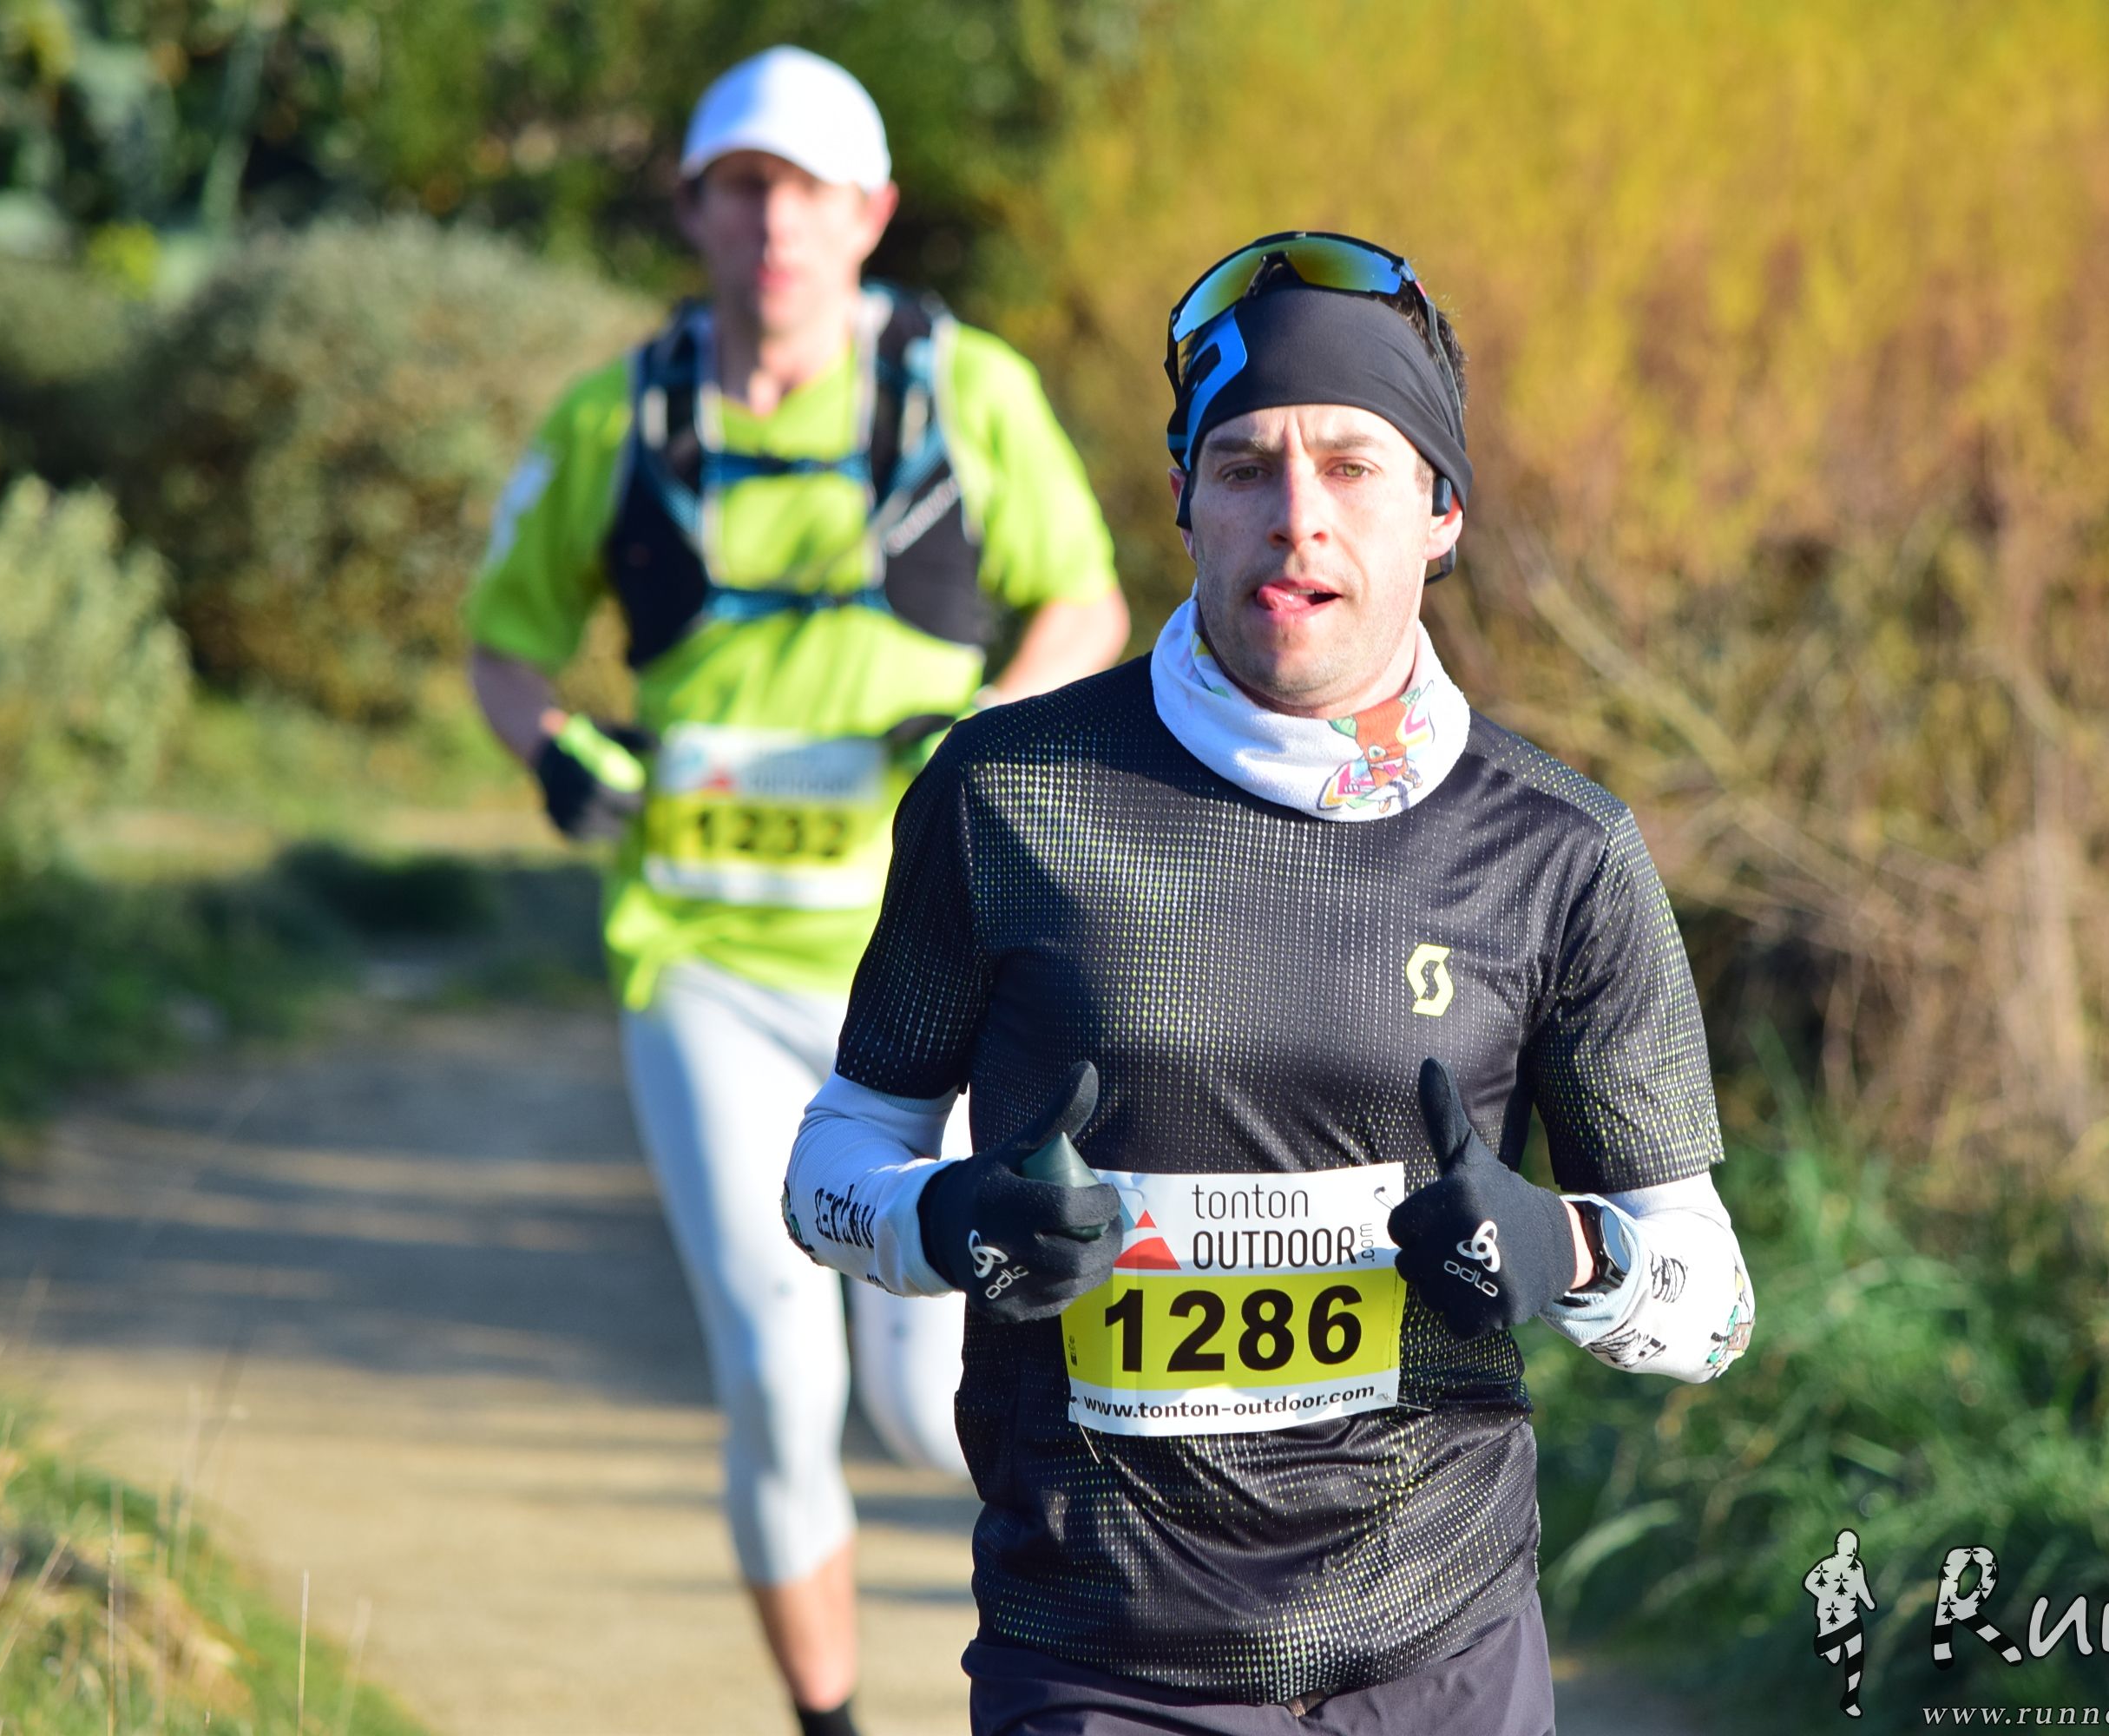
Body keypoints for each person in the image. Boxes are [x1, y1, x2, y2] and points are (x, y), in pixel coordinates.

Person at [783, 231, 1758, 1733]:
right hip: (1101, 1658)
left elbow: (1715, 1308)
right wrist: (949, 1219)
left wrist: (1568, 1249)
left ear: (1442, 510)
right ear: (1186, 498)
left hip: (1442, 1657)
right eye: (1245, 467)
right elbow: (827, 1172)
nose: (1298, 519)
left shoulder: (1557, 848)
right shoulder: (1010, 794)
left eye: (1354, 468)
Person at [463, 45, 1127, 1736]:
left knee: (926, 1392)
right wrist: (559, 757)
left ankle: (1117, 1660)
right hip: (700, 963)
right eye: (743, 188)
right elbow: (504, 651)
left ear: (871, 214)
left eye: (808, 191)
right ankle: (830, 1723)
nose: (775, 224)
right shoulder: (614, 419)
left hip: (934, 971)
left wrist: (986, 723)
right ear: (693, 208)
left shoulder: (967, 393)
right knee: (774, 1371)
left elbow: (1086, 603)